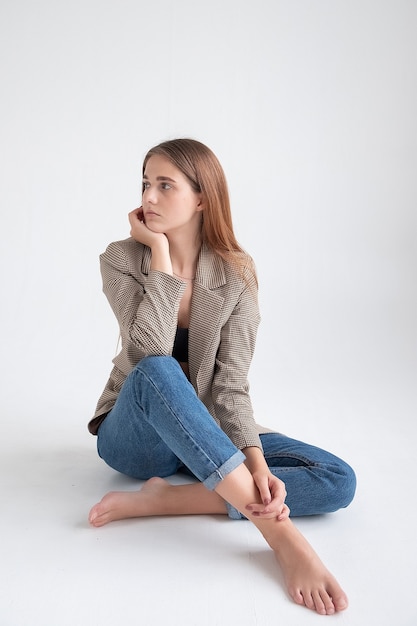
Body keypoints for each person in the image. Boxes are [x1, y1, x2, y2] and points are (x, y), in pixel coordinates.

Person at [88, 138, 356, 616]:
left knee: (338, 480)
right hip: (134, 438)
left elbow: (231, 383)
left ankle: (164, 501)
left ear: (202, 197)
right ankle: (281, 536)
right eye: (145, 184)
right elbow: (147, 350)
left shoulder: (236, 273)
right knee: (157, 369)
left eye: (164, 186)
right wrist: (161, 256)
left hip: (204, 430)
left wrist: (254, 461)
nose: (148, 198)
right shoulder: (121, 259)